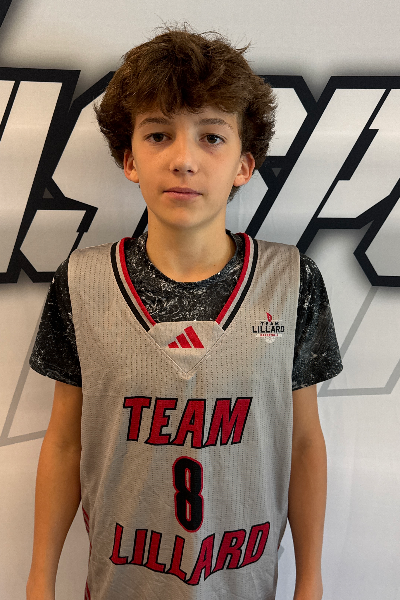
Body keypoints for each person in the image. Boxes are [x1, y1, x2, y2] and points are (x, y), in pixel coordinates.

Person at [26, 24, 343, 600]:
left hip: (243, 584)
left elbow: (302, 441)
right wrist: (39, 580)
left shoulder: (292, 281)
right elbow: (65, 442)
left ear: (244, 165)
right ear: (129, 159)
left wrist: (311, 579)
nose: (184, 160)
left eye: (212, 137)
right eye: (159, 135)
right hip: (122, 584)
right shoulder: (82, 281)